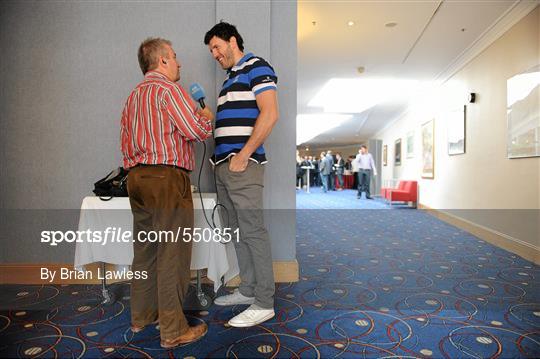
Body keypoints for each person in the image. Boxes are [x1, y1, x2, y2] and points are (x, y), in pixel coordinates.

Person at [120, 38, 214, 348]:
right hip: (166, 178)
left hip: (136, 179)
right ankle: (173, 330)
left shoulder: (133, 96)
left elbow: (125, 143)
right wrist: (207, 118)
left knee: (146, 251)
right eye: (174, 57)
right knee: (173, 253)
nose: (179, 63)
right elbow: (195, 131)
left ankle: (142, 316)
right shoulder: (168, 90)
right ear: (161, 61)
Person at [204, 22, 279, 327]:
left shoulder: (256, 66)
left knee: (252, 231)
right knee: (237, 230)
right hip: (223, 168)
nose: (214, 54)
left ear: (232, 40)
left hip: (242, 166)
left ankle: (264, 301)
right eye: (211, 50)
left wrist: (244, 155)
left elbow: (270, 113)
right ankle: (248, 289)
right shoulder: (229, 80)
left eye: (217, 47)